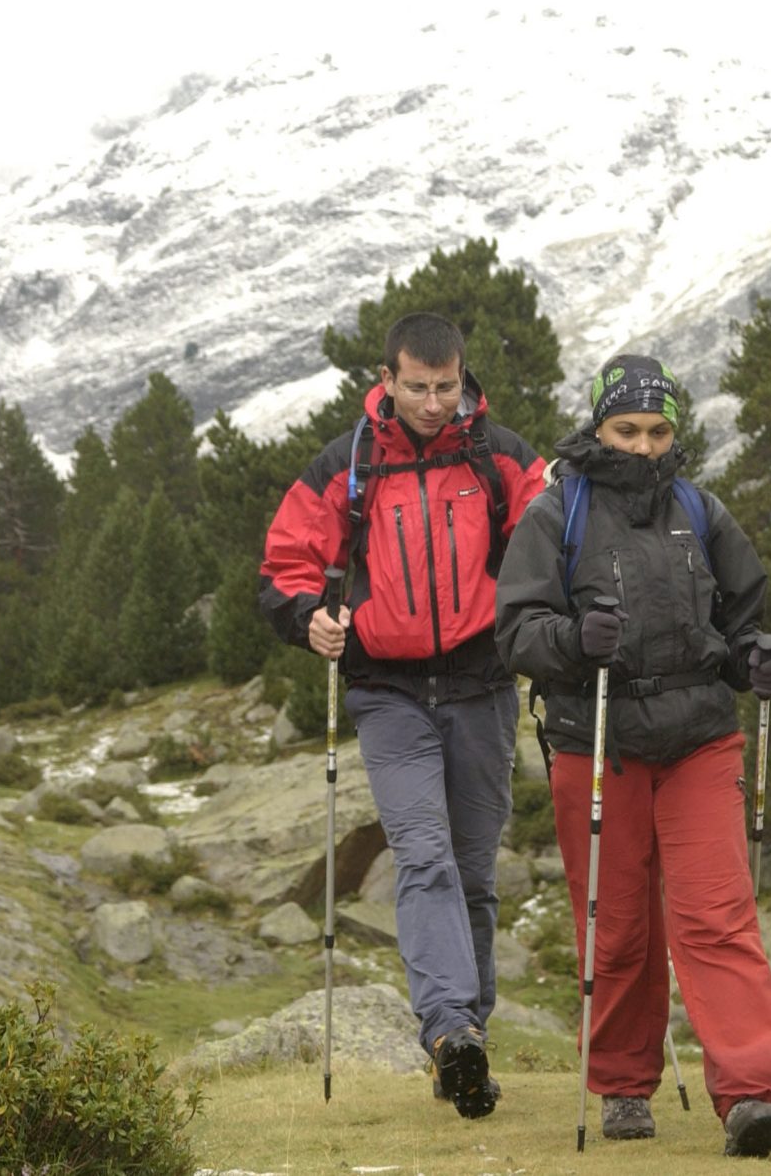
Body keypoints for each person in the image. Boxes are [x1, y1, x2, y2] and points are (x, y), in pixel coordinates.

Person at [494, 354, 771, 1158]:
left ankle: (748, 1094)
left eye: (658, 430)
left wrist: (758, 658)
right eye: (627, 429)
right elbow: (516, 631)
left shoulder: (700, 509)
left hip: (700, 732)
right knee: (617, 921)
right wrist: (568, 639)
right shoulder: (556, 514)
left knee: (716, 914)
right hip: (596, 741)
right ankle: (624, 1081)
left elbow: (743, 615)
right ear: (598, 428)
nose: (643, 445)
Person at [260, 311, 545, 1120]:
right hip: (386, 692)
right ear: (386, 379)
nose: (431, 402)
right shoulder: (346, 465)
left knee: (475, 874)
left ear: (464, 378)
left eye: (445, 387)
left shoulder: (501, 456)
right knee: (424, 858)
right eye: (416, 387)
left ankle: (469, 1044)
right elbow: (285, 563)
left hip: (481, 685)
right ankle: (449, 1030)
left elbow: (558, 537)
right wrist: (307, 613)